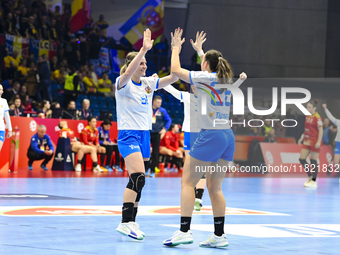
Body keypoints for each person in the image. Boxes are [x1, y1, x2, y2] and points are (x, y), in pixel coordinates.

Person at [163, 28, 247, 248]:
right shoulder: (224, 79)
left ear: (206, 65)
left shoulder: (205, 77)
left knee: (187, 182)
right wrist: (201, 51)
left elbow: (174, 70)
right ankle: (219, 236)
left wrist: (175, 48)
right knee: (214, 188)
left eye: (203, 62)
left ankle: (184, 231)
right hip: (228, 136)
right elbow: (209, 66)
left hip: (211, 135)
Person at [115, 28, 178, 240]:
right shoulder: (121, 84)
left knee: (140, 181)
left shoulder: (148, 84)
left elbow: (170, 79)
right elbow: (127, 73)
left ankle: (132, 221)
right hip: (128, 135)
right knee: (137, 176)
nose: (144, 66)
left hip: (144, 136)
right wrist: (142, 50)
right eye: (141, 63)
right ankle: (124, 223)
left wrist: (176, 51)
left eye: (145, 63)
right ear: (132, 65)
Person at [298, 100, 323, 188]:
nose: (307, 108)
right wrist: (301, 137)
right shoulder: (307, 116)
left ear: (314, 108)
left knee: (313, 161)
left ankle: (314, 181)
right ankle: (310, 176)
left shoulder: (317, 117)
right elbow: (306, 129)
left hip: (315, 141)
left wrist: (319, 141)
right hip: (307, 141)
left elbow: (320, 130)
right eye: (307, 107)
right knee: (301, 159)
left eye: (309, 107)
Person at [148, 95, 171, 177]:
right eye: (157, 102)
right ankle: (146, 169)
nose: (159, 104)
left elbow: (169, 120)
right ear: (153, 102)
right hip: (148, 132)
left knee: (155, 152)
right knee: (146, 151)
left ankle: (153, 170)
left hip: (157, 134)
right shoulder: (147, 108)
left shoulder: (162, 111)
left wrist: (165, 129)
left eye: (160, 103)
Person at [322, 104, 340, 179]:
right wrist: (325, 109)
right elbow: (331, 117)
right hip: (338, 143)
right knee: (336, 163)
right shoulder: (339, 122)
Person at [0, 84, 13, 152]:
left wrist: (10, 129)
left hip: (1, 130)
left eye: (2, 90)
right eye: (0, 90)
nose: (1, 91)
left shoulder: (4, 101)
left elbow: (7, 116)